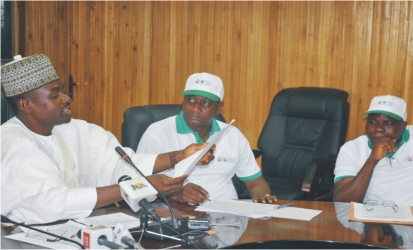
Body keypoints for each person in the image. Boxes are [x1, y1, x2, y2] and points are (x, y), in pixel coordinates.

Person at [1, 54, 215, 224]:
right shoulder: (14, 143)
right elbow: (53, 203)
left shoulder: (72, 130)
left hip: (77, 227)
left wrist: (180, 155)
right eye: (55, 95)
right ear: (26, 105)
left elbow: (119, 164)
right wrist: (140, 186)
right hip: (26, 237)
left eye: (63, 92)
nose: (67, 99)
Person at [137, 72, 277, 204]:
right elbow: (138, 186)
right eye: (190, 100)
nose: (195, 109)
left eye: (205, 103)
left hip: (228, 215)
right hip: (175, 216)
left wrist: (262, 197)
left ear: (220, 107)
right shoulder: (157, 133)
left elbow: (255, 182)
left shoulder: (233, 135)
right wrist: (176, 195)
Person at [333, 95, 413, 208]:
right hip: (371, 218)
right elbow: (342, 202)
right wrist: (372, 159)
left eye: (388, 124)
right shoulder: (351, 149)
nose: (378, 129)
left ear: (403, 126)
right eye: (372, 122)